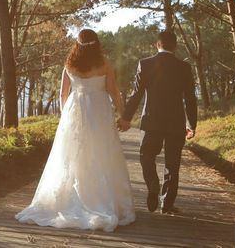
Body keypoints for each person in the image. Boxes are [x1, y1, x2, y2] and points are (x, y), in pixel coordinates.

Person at [15, 29, 135, 231]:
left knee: (72, 157)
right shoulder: (104, 64)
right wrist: (123, 115)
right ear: (96, 44)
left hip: (76, 110)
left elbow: (64, 94)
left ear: (77, 45)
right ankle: (102, 200)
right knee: (101, 153)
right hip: (99, 111)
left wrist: (65, 117)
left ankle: (71, 199)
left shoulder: (69, 65)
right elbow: (114, 92)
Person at [121, 29, 198, 215]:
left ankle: (153, 185)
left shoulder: (145, 64)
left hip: (151, 121)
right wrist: (191, 124)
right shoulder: (184, 67)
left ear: (158, 44)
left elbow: (136, 94)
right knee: (173, 163)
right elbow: (190, 99)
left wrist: (126, 117)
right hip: (176, 122)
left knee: (146, 156)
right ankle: (167, 204)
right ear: (176, 46)